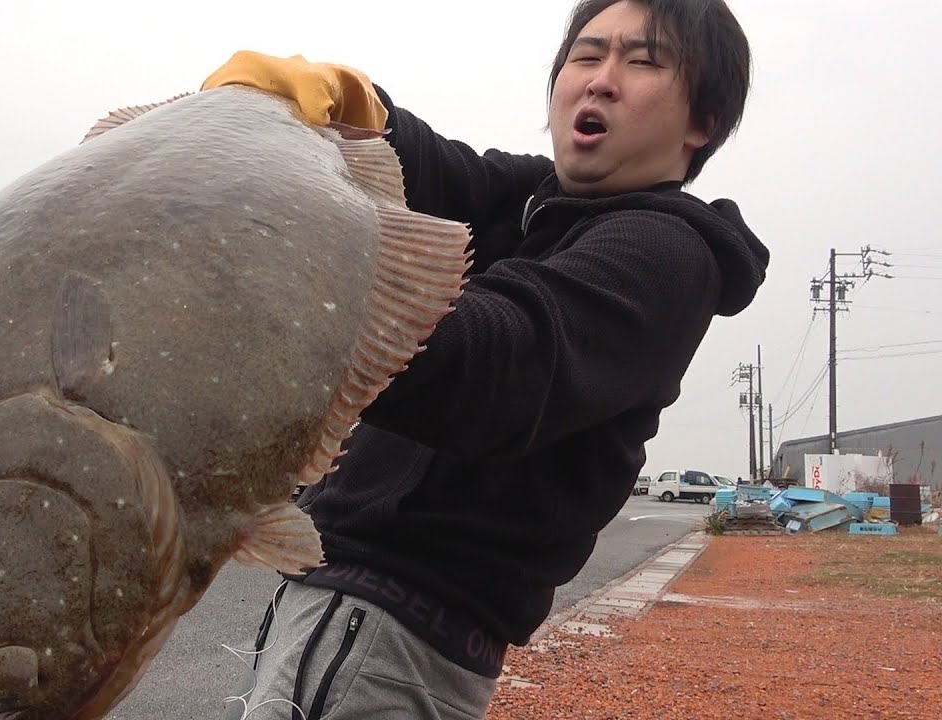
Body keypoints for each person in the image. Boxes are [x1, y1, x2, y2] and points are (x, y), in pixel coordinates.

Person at [202, 1, 768, 718]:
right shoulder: (535, 200)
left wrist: (296, 268)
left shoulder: (664, 254)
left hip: (389, 636)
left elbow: (499, 364)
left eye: (643, 61)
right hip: (339, 617)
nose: (600, 81)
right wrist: (356, 105)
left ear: (702, 121)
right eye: (586, 57)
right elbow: (435, 169)